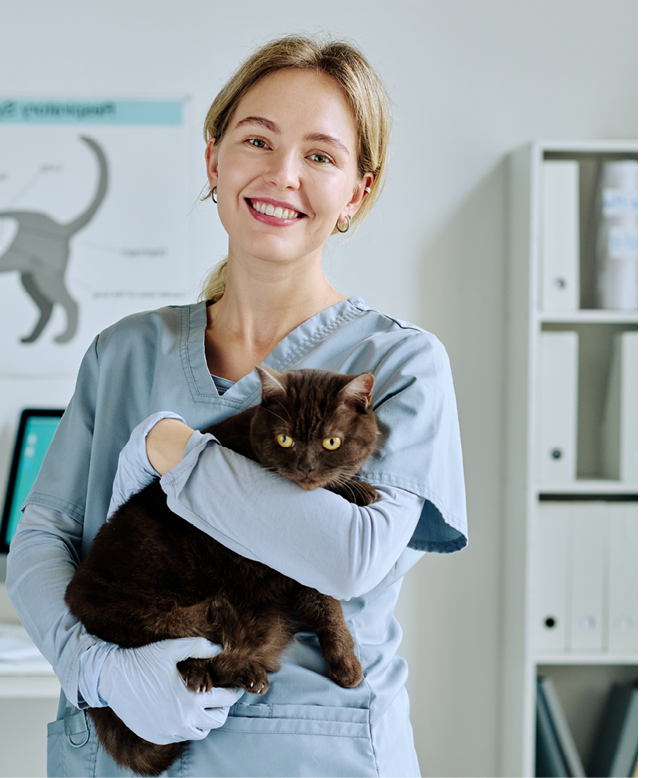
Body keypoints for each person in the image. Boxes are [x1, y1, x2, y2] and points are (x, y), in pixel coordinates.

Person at [6, 34, 467, 778]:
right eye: (258, 140)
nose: (282, 174)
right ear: (215, 160)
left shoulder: (401, 363)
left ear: (356, 193)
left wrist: (176, 453)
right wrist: (97, 672)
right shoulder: (123, 352)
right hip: (122, 755)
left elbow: (347, 554)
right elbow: (39, 542)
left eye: (321, 155)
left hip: (314, 757)